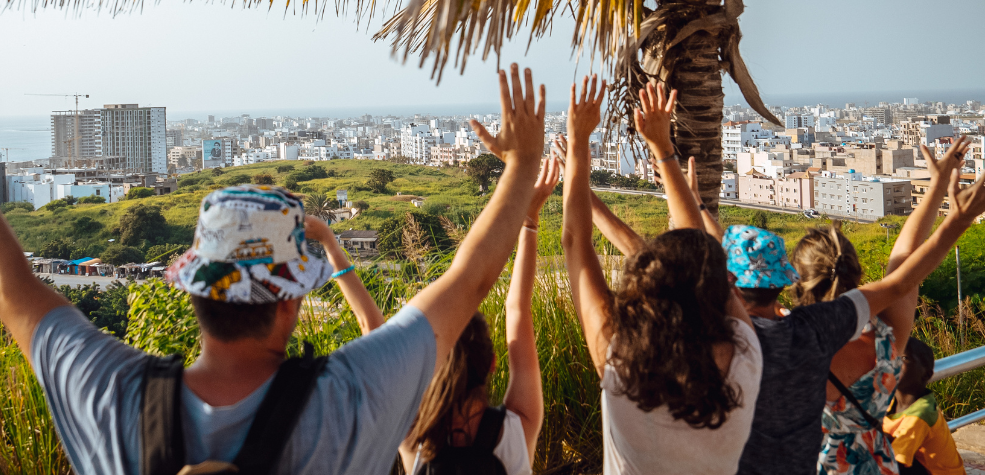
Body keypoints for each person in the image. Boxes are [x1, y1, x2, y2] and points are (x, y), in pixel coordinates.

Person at [0, 62, 547, 475]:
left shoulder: (112, 397)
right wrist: (520, 166)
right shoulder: (345, 404)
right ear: (291, 299)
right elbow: (468, 282)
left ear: (192, 288)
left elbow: (5, 286)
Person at [562, 78, 761, 475]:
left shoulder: (620, 364)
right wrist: (663, 148)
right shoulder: (744, 355)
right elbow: (699, 251)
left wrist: (578, 144)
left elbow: (572, 243)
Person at [791, 138, 985, 475]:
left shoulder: (783, 341)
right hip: (874, 464)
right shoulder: (886, 336)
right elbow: (905, 264)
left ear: (797, 281)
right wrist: (939, 190)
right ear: (857, 272)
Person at [397, 158, 558, 475]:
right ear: (492, 363)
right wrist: (529, 221)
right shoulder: (517, 427)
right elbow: (518, 308)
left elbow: (394, 327)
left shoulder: (413, 436)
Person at [884, 338, 966, 475]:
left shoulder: (921, 415)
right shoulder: (891, 402)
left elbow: (893, 462)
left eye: (904, 358)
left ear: (926, 374)